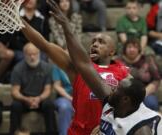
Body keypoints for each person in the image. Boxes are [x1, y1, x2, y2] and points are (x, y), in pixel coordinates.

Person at [46, 0, 162, 134]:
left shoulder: (141, 129)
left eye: (116, 87)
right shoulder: (113, 106)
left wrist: (67, 27)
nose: (111, 88)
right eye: (94, 41)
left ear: (125, 99)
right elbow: (82, 63)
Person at [21, 1, 129, 135]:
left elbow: (132, 105)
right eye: (93, 42)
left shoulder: (124, 72)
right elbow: (44, 45)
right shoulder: (77, 68)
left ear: (112, 51)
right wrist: (17, 19)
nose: (95, 44)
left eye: (101, 42)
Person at [10, 43, 56, 134]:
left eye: (34, 54)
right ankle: (14, 132)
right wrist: (26, 99)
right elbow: (14, 91)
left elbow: (48, 89)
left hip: (41, 99)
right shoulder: (18, 68)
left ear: (39, 54)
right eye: (29, 54)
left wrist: (39, 99)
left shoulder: (47, 67)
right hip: (24, 99)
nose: (32, 57)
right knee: (15, 106)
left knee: (49, 105)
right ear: (24, 55)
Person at [116, 38, 161, 111]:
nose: (132, 49)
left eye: (135, 47)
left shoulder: (148, 59)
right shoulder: (117, 61)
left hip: (145, 92)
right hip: (123, 93)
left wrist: (145, 92)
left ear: (139, 49)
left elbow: (156, 79)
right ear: (125, 49)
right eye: (129, 47)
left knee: (151, 104)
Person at [52, 65, 73, 135]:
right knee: (65, 107)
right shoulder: (57, 67)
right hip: (64, 97)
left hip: (80, 96)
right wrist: (70, 98)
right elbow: (56, 86)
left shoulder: (80, 64)